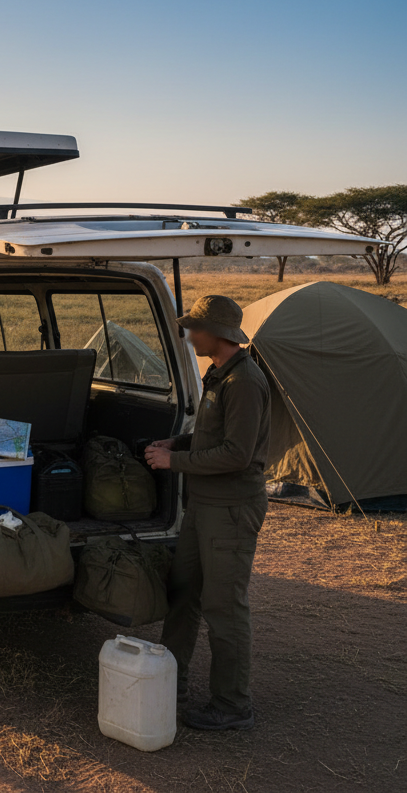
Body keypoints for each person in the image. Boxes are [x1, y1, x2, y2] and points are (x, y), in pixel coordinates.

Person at [144, 294, 270, 731]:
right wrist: (175, 444)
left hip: (231, 509)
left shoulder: (245, 383)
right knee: (184, 592)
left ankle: (232, 704)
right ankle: (170, 680)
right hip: (205, 505)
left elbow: (236, 454)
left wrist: (173, 463)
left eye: (195, 327)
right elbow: (210, 435)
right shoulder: (220, 373)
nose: (189, 334)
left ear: (216, 334)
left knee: (224, 607)